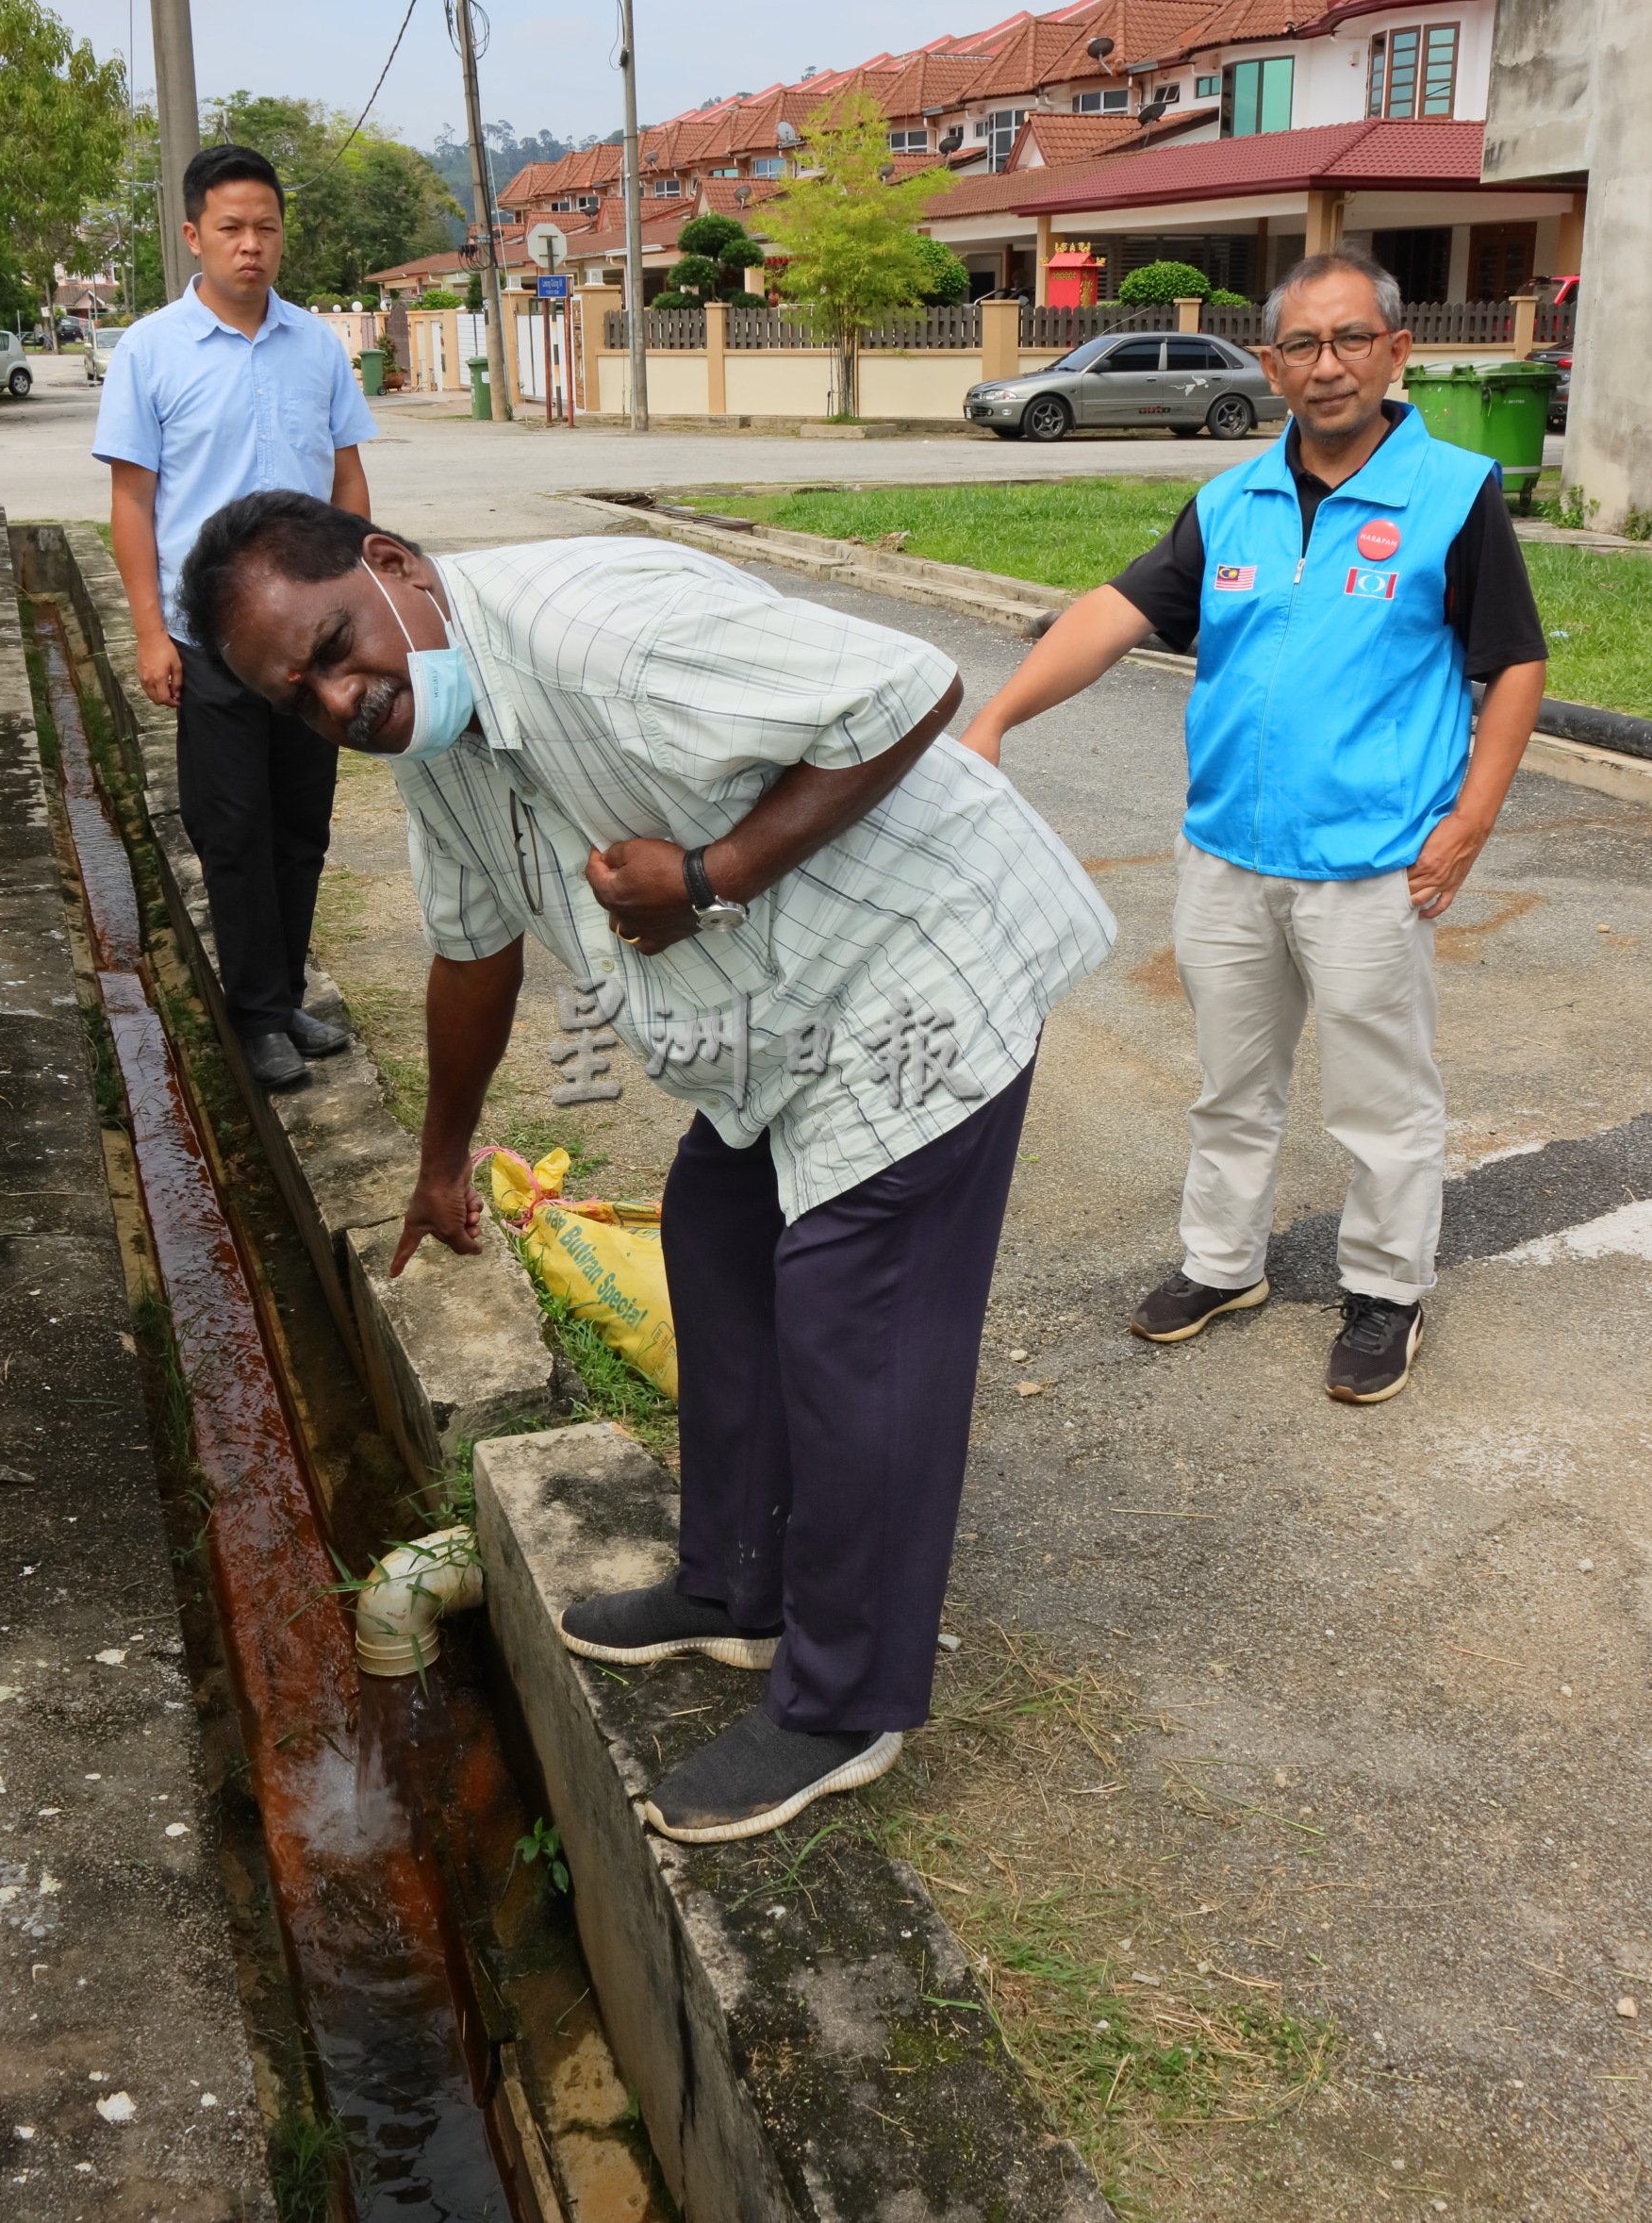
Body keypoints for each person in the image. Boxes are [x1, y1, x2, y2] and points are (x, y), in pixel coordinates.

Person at [177, 503, 1115, 1843]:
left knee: (858, 1316)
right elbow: (471, 948)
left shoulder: (597, 634)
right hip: (784, 1012)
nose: (341, 699)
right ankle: (739, 1589)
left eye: (336, 647)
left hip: (925, 958)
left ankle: (844, 1704)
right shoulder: (436, 741)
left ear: (389, 568)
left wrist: (712, 874)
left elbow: (912, 691)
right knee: (716, 1232)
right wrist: (442, 1162)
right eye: (302, 696)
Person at [964, 248, 1547, 1405]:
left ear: (1394, 350)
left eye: (1348, 341)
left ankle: (1384, 1290)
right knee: (1230, 1085)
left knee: (1379, 1099)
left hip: (1371, 865)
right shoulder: (1229, 501)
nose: (1324, 367)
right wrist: (993, 722)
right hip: (1226, 854)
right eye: (1300, 346)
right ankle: (1222, 1264)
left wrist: (1470, 821)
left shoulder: (1452, 494)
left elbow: (1513, 664)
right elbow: (1112, 613)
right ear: (1270, 362)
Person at [92, 143, 377, 1088]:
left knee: (302, 823)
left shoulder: (315, 347)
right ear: (192, 235)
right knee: (232, 828)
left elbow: (345, 477)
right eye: (231, 229)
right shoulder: (151, 351)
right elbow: (132, 503)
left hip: (312, 639)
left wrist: (361, 603)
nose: (251, 246)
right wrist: (145, 629)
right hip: (209, 640)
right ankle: (253, 1017)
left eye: (266, 228)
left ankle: (283, 991)